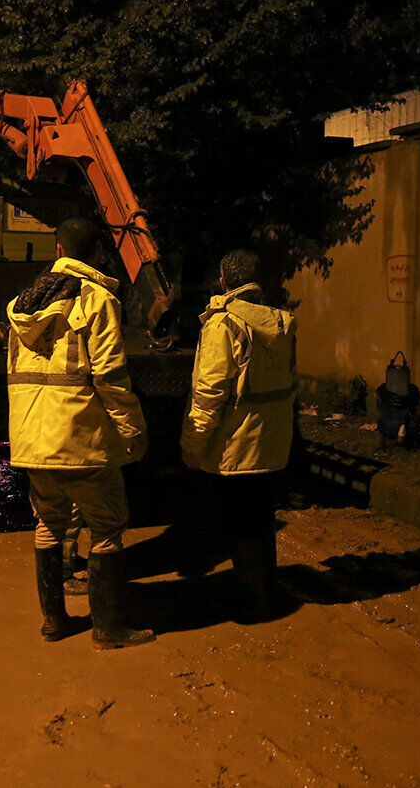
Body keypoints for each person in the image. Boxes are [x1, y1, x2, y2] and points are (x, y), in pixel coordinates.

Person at [6, 217, 152, 648]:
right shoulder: (97, 300)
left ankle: (54, 622)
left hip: (33, 443)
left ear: (57, 249)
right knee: (107, 528)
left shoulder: (21, 305)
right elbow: (110, 376)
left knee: (50, 525)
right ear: (96, 255)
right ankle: (109, 629)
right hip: (82, 443)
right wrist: (132, 431)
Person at [180, 249, 297, 621]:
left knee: (240, 524)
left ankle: (254, 604)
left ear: (223, 281)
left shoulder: (224, 325)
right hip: (272, 444)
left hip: (236, 448)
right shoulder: (281, 324)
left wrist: (191, 446)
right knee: (261, 520)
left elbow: (209, 394)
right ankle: (266, 593)